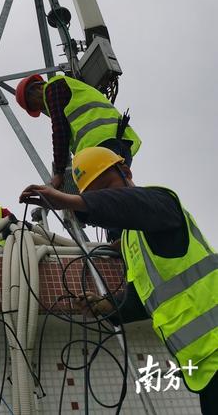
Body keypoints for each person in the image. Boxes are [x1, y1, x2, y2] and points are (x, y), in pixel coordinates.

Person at [19, 146, 218, 414]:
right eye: (97, 195)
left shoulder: (162, 203)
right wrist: (105, 307)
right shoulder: (132, 244)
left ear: (126, 172)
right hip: (205, 368)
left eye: (108, 187)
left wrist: (71, 201)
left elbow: (129, 204)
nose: (107, 199)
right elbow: (141, 302)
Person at [15, 73, 141, 190]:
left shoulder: (53, 88)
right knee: (122, 190)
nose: (42, 109)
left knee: (109, 197)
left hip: (99, 145)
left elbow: (60, 130)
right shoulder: (73, 87)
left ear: (35, 90)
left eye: (36, 105)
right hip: (121, 142)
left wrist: (59, 173)